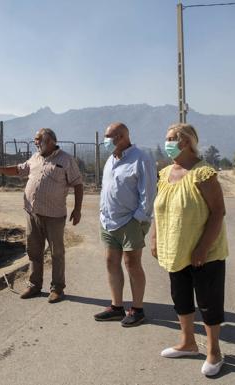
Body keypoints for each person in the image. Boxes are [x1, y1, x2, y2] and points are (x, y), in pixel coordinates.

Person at [151, 123, 229, 377]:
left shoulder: (203, 173)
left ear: (186, 142)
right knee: (181, 298)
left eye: (172, 138)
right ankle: (187, 343)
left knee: (208, 302)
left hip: (204, 253)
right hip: (175, 249)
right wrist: (154, 238)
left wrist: (202, 248)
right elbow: (159, 209)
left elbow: (218, 212)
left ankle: (214, 352)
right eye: (167, 138)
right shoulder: (165, 174)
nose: (168, 143)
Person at [0, 128, 83, 303]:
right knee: (33, 251)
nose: (36, 142)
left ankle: (57, 289)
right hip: (32, 214)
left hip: (54, 215)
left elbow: (78, 184)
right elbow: (18, 170)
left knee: (57, 253)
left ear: (51, 140)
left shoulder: (66, 160)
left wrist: (77, 210)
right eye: (35, 140)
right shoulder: (35, 157)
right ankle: (34, 285)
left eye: (39, 139)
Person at [93, 122, 157, 327]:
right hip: (109, 220)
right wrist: (103, 212)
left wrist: (139, 218)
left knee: (132, 263)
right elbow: (108, 189)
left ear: (121, 137)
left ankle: (137, 309)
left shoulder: (141, 159)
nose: (105, 141)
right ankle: (116, 307)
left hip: (130, 221)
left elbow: (148, 193)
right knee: (111, 262)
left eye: (108, 137)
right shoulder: (111, 160)